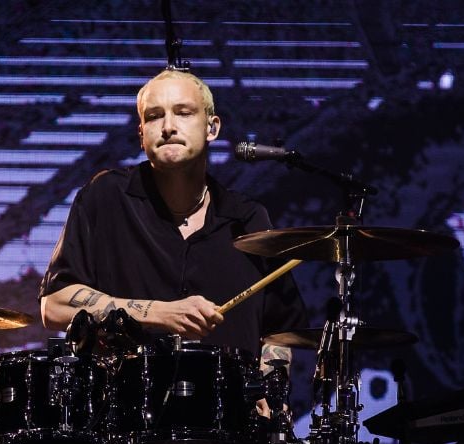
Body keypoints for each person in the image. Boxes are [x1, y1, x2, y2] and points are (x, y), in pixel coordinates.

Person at [39, 69, 307, 370]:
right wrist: (160, 313)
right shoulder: (105, 197)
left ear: (212, 127)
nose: (168, 126)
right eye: (154, 116)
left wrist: (271, 384)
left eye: (183, 113)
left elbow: (279, 331)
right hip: (121, 409)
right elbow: (55, 304)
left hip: (226, 413)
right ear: (141, 135)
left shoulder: (248, 218)